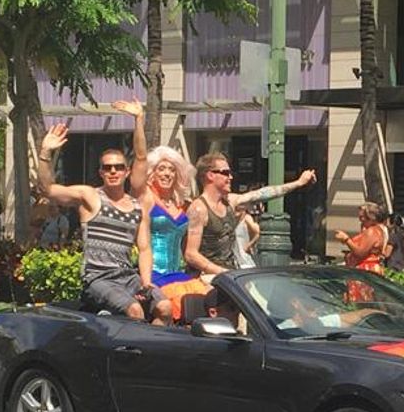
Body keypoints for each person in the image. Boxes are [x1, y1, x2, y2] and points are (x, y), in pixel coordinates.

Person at [37, 123, 172, 324]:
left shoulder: (138, 208)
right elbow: (48, 189)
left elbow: (144, 249)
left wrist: (146, 283)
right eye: (107, 168)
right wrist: (45, 153)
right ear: (101, 172)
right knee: (135, 310)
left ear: (127, 172)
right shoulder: (90, 196)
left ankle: (150, 343)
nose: (113, 171)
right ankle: (134, 344)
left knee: (165, 308)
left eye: (118, 167)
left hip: (128, 277)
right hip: (97, 279)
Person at [114, 98, 205, 321]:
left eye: (172, 170)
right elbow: (140, 158)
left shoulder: (181, 203)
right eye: (162, 169)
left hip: (179, 274)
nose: (167, 174)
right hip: (153, 276)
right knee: (172, 307)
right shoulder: (145, 196)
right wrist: (139, 120)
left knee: (209, 300)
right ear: (152, 173)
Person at [185, 151, 316, 280]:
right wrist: (221, 272)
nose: (230, 177)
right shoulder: (198, 209)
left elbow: (263, 193)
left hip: (229, 276)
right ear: (210, 175)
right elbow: (191, 254)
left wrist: (298, 183)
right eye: (225, 173)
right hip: (205, 280)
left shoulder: (231, 202)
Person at [334, 202, 390, 275]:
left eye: (362, 217)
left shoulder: (372, 231)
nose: (360, 220)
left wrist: (346, 239)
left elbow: (360, 253)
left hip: (365, 270)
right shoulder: (374, 230)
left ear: (371, 217)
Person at [233, 204, 261, 269]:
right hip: (236, 253)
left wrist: (249, 245)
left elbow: (257, 232)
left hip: (244, 254)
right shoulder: (234, 220)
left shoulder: (247, 218)